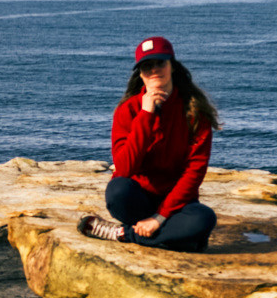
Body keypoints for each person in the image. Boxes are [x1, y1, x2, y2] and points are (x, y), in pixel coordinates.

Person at [78, 36, 219, 252]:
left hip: (177, 205)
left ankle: (121, 233)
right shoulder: (128, 110)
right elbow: (124, 169)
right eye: (146, 66)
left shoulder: (195, 112)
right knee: (117, 191)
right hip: (138, 200)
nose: (154, 70)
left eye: (160, 62)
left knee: (204, 219)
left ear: (172, 66)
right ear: (140, 74)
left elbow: (195, 170)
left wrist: (159, 218)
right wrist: (146, 114)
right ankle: (178, 239)